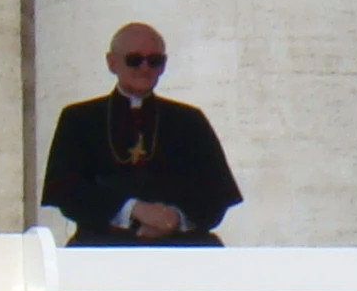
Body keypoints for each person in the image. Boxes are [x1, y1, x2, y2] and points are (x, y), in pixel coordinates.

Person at [40, 22, 242, 246]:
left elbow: (215, 190)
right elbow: (68, 189)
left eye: (154, 61)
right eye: (134, 60)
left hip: (180, 246)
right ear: (112, 63)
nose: (145, 68)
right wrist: (132, 210)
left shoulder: (189, 120)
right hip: (104, 245)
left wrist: (175, 218)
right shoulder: (79, 119)